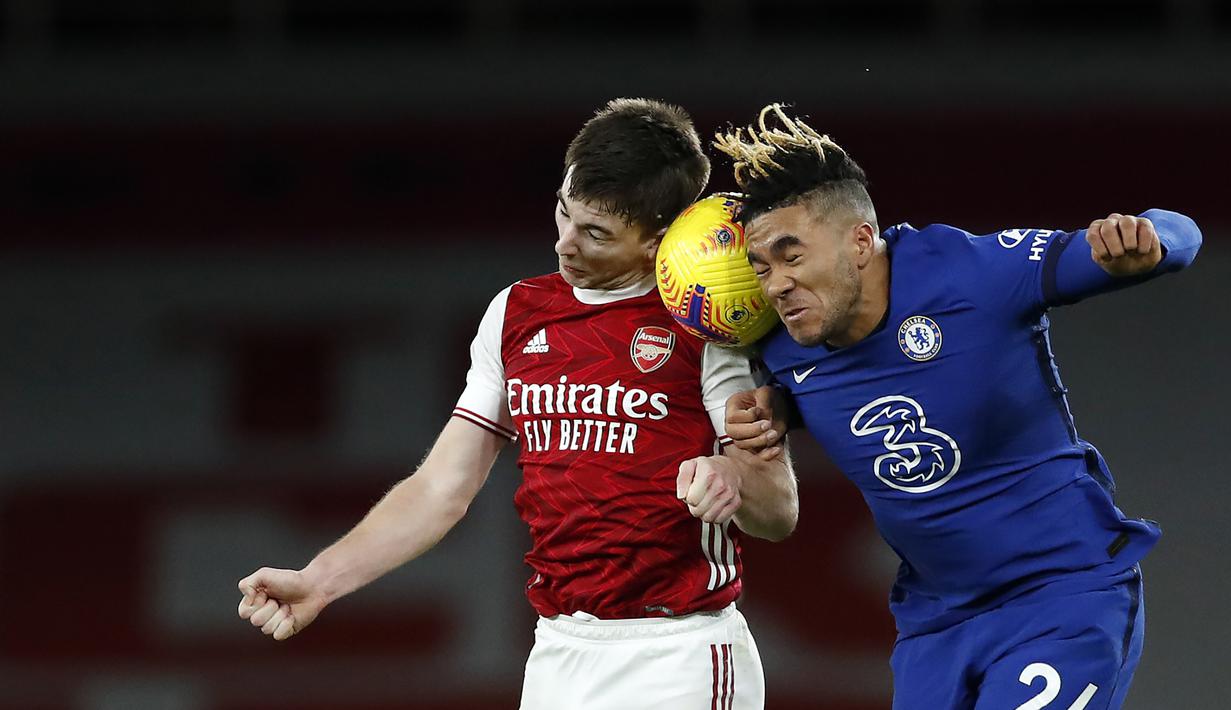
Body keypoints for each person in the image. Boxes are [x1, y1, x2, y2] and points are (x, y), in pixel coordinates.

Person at [237, 98, 797, 710]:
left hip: (678, 653)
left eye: (596, 233)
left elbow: (779, 511)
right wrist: (319, 580)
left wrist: (733, 476)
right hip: (557, 654)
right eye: (563, 211)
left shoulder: (706, 328)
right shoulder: (517, 314)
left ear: (655, 241)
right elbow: (440, 488)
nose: (564, 243)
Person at [715, 104, 1201, 709]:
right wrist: (780, 410)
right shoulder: (781, 342)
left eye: (792, 256)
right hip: (935, 625)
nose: (776, 284)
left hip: (1060, 599)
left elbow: (1182, 233)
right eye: (761, 268)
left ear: (862, 241)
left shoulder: (974, 273)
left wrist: (1152, 239)